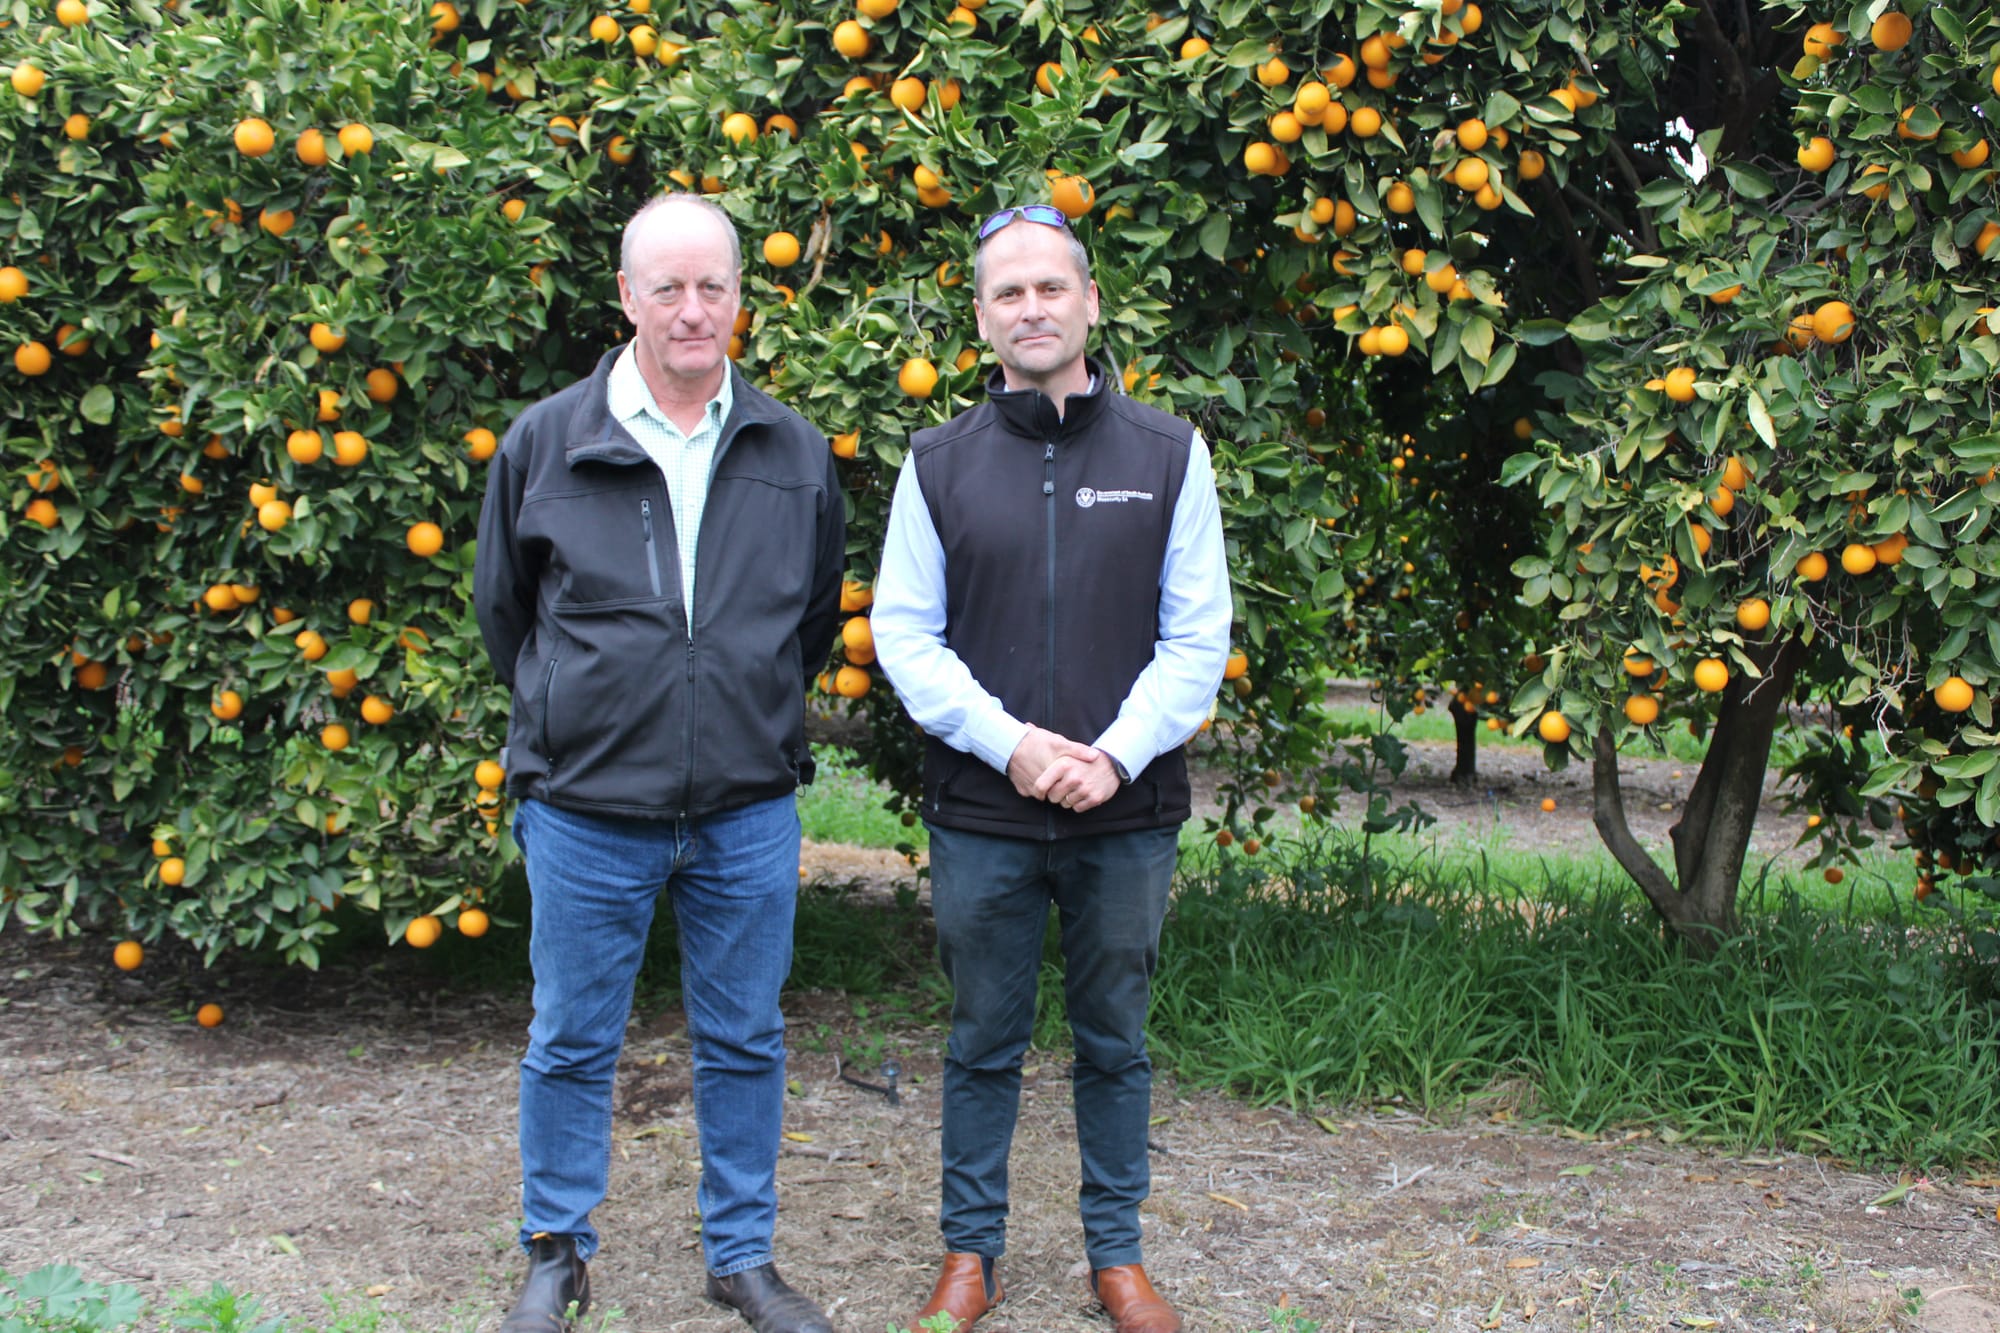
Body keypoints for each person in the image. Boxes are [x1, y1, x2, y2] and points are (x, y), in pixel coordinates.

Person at [473, 194, 844, 1333]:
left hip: (744, 809)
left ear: (740, 297)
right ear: (627, 297)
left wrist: (733, 707)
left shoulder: (793, 450)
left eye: (712, 286)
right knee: (570, 1040)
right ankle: (557, 1251)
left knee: (745, 1041)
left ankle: (741, 1257)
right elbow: (506, 614)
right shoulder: (546, 441)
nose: (692, 309)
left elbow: (811, 619)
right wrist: (589, 714)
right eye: (668, 287)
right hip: (587, 808)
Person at [870, 203, 1231, 1333]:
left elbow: (1197, 638)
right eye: (1008, 292)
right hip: (982, 810)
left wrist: (1112, 756)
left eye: (1050, 286)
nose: (1031, 308)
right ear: (982, 319)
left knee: (1113, 1042)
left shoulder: (1168, 454)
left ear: (1089, 301)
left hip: (1125, 813)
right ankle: (968, 1254)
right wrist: (1012, 745)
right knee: (981, 1038)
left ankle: (1116, 1258)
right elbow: (903, 634)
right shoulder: (937, 465)